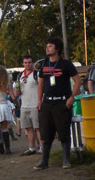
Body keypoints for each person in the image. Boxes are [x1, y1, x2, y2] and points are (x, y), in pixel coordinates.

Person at [35, 38, 81, 171]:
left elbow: (77, 81)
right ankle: (44, 160)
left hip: (62, 102)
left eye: (50, 46)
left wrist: (72, 97)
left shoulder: (66, 64)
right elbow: (41, 83)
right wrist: (39, 100)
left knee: (64, 132)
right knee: (46, 133)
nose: (47, 48)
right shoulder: (44, 63)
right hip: (47, 102)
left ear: (57, 49)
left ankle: (66, 160)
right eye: (47, 46)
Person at [16, 55, 42, 156]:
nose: (27, 64)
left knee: (38, 127)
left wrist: (40, 101)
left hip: (35, 105)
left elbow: (42, 87)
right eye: (26, 62)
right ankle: (31, 148)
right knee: (28, 128)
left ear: (32, 63)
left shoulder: (37, 74)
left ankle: (42, 147)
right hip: (24, 105)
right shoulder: (19, 76)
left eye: (29, 62)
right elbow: (17, 91)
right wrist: (17, 92)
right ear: (23, 63)